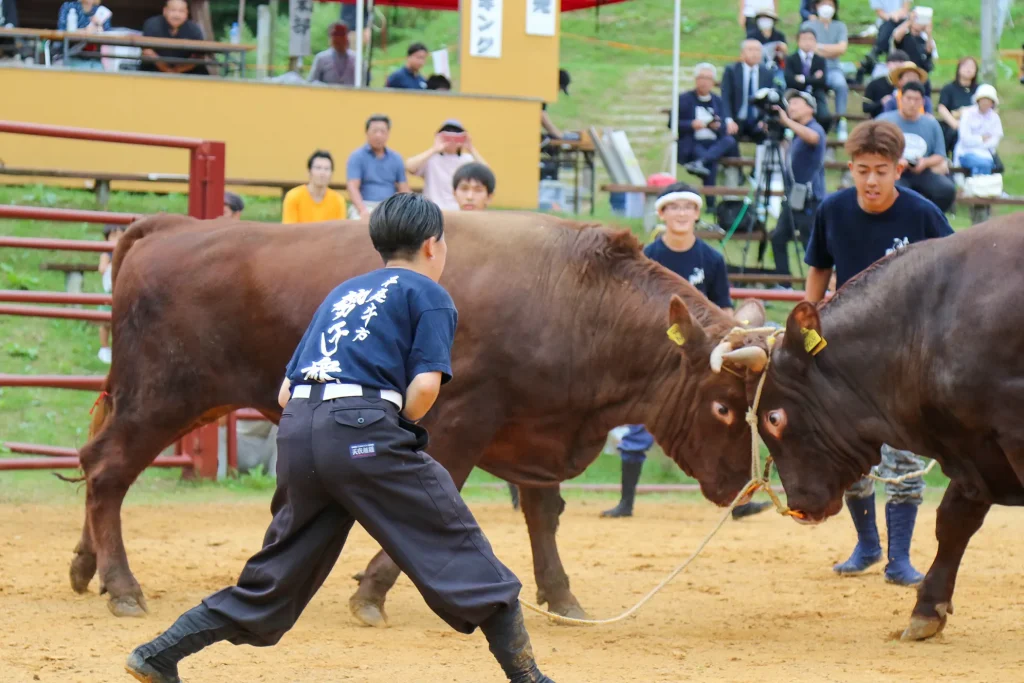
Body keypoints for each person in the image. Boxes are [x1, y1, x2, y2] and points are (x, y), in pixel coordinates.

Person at [124, 193, 556, 683]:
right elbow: (425, 386)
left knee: (277, 576)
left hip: (300, 431)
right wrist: (391, 429)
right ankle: (530, 678)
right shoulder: (430, 294)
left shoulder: (342, 293)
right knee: (456, 543)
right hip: (362, 429)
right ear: (434, 245)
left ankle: (160, 653)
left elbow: (286, 392)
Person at [802, 119, 952, 586]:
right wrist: (806, 333)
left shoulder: (924, 215)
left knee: (904, 457)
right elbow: (817, 274)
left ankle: (899, 559)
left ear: (899, 170)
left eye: (881, 170)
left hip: (908, 357)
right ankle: (867, 545)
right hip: (846, 359)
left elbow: (954, 277)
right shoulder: (832, 210)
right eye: (863, 170)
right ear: (850, 168)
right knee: (851, 456)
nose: (871, 180)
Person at [601, 184, 770, 521]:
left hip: (703, 360)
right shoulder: (648, 256)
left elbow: (724, 308)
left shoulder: (711, 259)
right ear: (662, 214)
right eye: (673, 207)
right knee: (639, 425)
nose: (680, 213)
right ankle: (626, 502)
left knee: (728, 422)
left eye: (687, 207)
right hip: (656, 354)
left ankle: (739, 500)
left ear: (697, 214)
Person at [770, 90, 826, 280]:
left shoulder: (815, 128)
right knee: (778, 236)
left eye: (795, 103)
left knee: (810, 243)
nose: (790, 107)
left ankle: (819, 283)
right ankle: (783, 281)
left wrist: (787, 122)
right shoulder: (796, 133)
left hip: (810, 198)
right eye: (789, 103)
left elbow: (814, 138)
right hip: (793, 196)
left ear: (810, 108)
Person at [878, 82, 956, 213]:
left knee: (946, 189)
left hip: (922, 170)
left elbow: (939, 155)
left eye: (916, 99)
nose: (912, 103)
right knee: (897, 191)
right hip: (893, 172)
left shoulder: (931, 124)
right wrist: (894, 162)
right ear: (901, 99)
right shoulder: (884, 122)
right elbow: (874, 150)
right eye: (908, 99)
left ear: (923, 102)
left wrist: (925, 163)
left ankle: (932, 219)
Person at [675, 63, 737, 195]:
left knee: (729, 141)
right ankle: (710, 204)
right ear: (696, 79)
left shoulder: (718, 101)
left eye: (708, 78)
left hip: (714, 141)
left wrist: (718, 126)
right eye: (701, 77)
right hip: (693, 141)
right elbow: (673, 123)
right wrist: (692, 124)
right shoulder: (684, 99)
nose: (704, 82)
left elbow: (724, 125)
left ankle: (701, 162)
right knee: (711, 162)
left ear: (713, 82)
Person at [405, 119, 488, 212]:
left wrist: (471, 148)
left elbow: (487, 175)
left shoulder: (467, 159)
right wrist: (434, 149)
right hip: (433, 211)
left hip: (459, 211)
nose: (452, 140)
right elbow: (409, 167)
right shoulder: (431, 159)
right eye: (447, 136)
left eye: (456, 136)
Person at [346, 115, 409, 219]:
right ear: (367, 133)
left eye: (382, 131)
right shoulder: (357, 157)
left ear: (388, 134)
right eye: (375, 131)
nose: (378, 135)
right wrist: (362, 210)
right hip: (365, 205)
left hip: (390, 207)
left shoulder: (396, 158)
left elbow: (404, 189)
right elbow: (352, 187)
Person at [802, 0, 849, 141]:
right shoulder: (808, 25)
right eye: (823, 3)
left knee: (841, 85)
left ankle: (840, 121)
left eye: (830, 4)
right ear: (816, 6)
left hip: (833, 69)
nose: (827, 7)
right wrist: (831, 49)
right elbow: (809, 48)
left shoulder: (839, 26)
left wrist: (820, 48)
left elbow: (841, 49)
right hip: (812, 69)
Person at [720, 40, 776, 142]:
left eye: (758, 50)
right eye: (750, 50)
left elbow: (770, 100)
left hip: (758, 120)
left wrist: (765, 120)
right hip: (737, 119)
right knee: (728, 139)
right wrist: (729, 120)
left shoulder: (767, 73)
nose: (754, 53)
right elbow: (725, 97)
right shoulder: (731, 70)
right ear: (742, 53)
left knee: (770, 135)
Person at [140, 0, 209, 76]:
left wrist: (177, 70)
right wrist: (166, 69)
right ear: (165, 11)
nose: (177, 15)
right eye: (173, 10)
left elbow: (198, 56)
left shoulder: (194, 29)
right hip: (154, 71)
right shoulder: (152, 24)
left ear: (187, 13)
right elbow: (147, 51)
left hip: (187, 72)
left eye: (181, 11)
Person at [784, 29, 833, 132]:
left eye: (811, 39)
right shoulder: (791, 59)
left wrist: (802, 78)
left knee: (825, 117)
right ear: (798, 41)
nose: (808, 42)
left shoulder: (820, 60)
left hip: (815, 93)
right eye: (804, 39)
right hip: (795, 93)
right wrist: (813, 78)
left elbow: (822, 81)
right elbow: (790, 81)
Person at [282, 150, 346, 224]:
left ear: (331, 174)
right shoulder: (293, 196)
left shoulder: (338, 200)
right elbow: (289, 230)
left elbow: (340, 231)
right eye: (318, 168)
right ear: (309, 171)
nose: (322, 173)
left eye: (326, 169)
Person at [953, 84, 1003, 177]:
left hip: (987, 154)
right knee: (983, 164)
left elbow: (995, 140)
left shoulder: (995, 118)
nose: (985, 103)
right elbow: (965, 139)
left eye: (988, 100)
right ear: (978, 100)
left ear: (992, 103)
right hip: (966, 153)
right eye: (983, 99)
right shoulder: (967, 115)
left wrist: (978, 142)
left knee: (988, 164)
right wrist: (981, 138)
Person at [937, 56, 979, 155]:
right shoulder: (949, 88)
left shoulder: (980, 89)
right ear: (959, 68)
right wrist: (955, 124)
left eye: (972, 67)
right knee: (952, 133)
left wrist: (963, 111)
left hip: (976, 125)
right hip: (954, 125)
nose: (969, 69)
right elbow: (942, 108)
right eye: (965, 66)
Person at [97, 223, 125, 365]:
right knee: (105, 322)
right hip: (109, 293)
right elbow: (102, 268)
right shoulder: (106, 253)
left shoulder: (126, 252)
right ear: (107, 238)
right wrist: (112, 264)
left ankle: (118, 350)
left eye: (121, 236)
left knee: (120, 322)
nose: (117, 239)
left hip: (121, 292)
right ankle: (104, 347)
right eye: (114, 236)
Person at [57, 0, 111, 70]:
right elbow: (61, 30)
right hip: (71, 53)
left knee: (100, 70)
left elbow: (107, 34)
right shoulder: (69, 6)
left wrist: (99, 26)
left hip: (94, 56)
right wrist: (84, 31)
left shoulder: (101, 11)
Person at [862, 49, 910, 118]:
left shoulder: (910, 85)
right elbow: (865, 108)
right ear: (887, 64)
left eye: (902, 63)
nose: (898, 66)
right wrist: (881, 102)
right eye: (895, 63)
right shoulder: (874, 84)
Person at [891, 8, 936, 78]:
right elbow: (896, 37)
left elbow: (930, 51)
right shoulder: (904, 37)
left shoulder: (925, 39)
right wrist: (910, 20)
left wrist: (929, 33)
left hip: (920, 73)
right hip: (903, 72)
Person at [309, 22, 356, 86]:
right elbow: (311, 81)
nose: (338, 39)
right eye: (335, 35)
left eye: (341, 35)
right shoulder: (321, 58)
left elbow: (365, 82)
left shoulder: (357, 59)